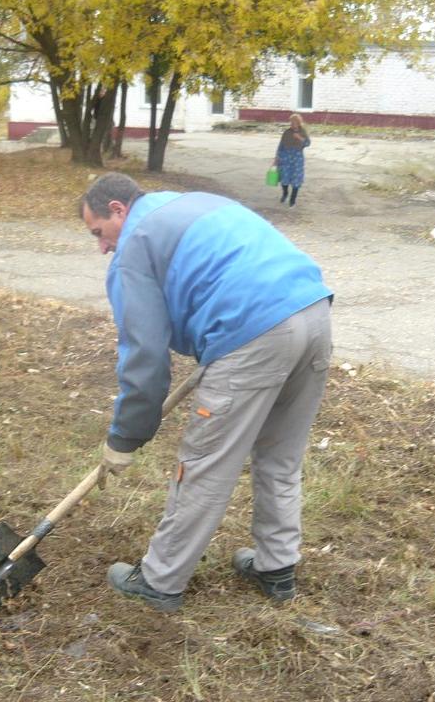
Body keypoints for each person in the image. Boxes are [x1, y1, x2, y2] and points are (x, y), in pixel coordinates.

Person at [80, 172, 333, 612]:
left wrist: (126, 436)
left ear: (118, 210)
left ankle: (159, 582)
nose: (102, 247)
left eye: (99, 233)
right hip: (313, 313)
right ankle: (277, 568)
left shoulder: (134, 246)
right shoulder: (193, 202)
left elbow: (144, 357)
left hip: (253, 332)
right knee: (280, 455)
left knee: (204, 465)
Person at [273, 113, 311, 206]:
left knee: (296, 179)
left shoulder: (303, 132)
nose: (292, 124)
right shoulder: (287, 132)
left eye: (294, 123)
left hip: (297, 159)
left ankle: (293, 199)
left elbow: (307, 143)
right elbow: (281, 145)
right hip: (285, 157)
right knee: (284, 178)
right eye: (291, 123)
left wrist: (300, 138)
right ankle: (285, 193)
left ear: (298, 123)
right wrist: (277, 157)